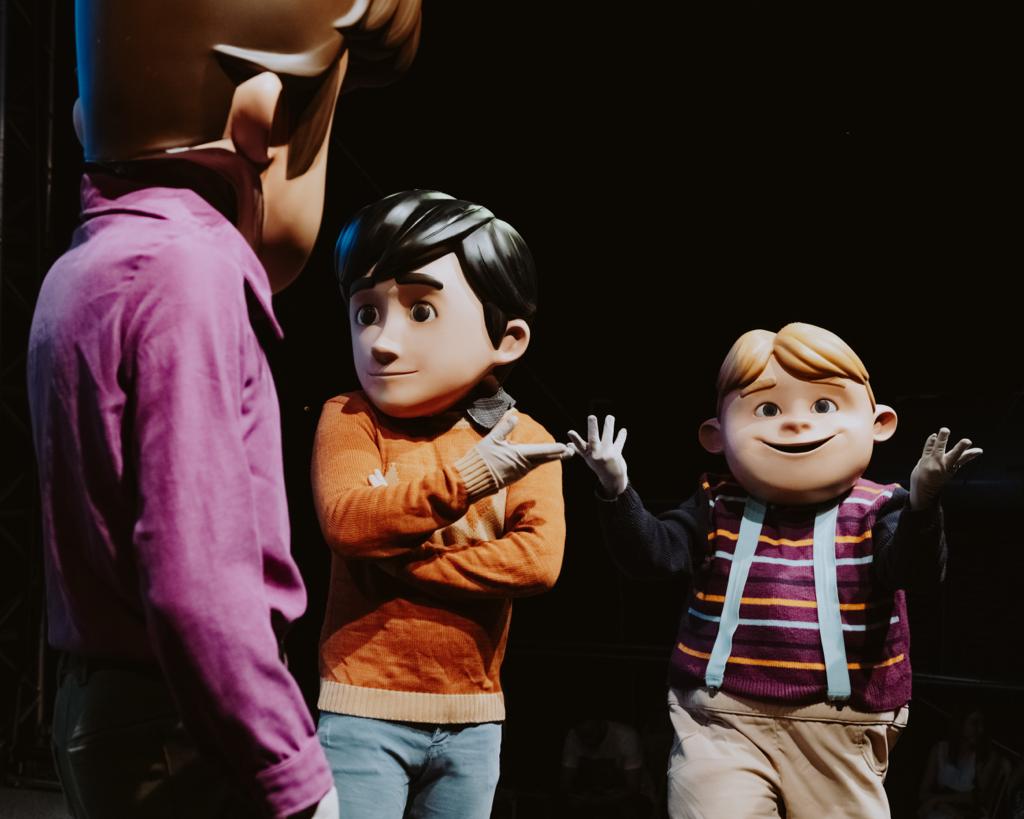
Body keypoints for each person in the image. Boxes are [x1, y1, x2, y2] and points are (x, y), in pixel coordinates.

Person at [27, 2, 420, 816]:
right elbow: (196, 580)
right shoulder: (190, 273)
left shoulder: (82, 266)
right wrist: (295, 775)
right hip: (183, 719)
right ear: (261, 118)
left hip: (105, 701)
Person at [570, 322, 982, 819]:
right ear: (715, 435)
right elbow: (652, 557)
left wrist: (922, 503)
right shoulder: (717, 504)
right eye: (767, 409)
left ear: (880, 422)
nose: (796, 423)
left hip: (840, 723)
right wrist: (616, 492)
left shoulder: (878, 508)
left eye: (823, 406)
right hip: (722, 720)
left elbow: (915, 573)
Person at [312, 189, 572, 818]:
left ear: (508, 337)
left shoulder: (525, 438)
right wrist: (470, 480)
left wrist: (399, 555)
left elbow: (536, 564)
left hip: (473, 717)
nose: (382, 342)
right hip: (360, 706)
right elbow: (348, 523)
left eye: (421, 311)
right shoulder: (350, 417)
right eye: (366, 313)